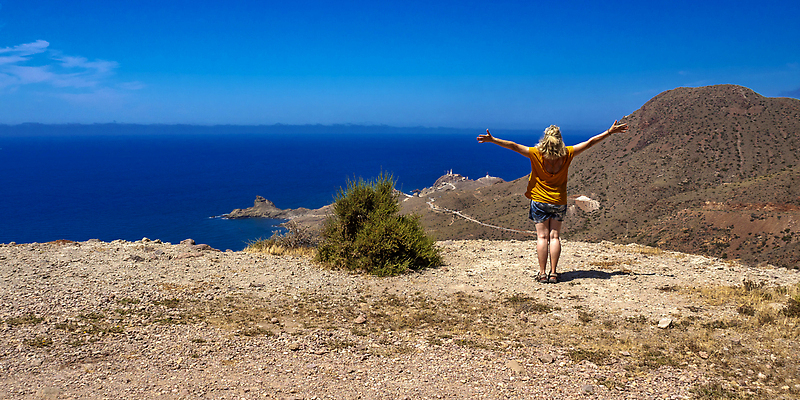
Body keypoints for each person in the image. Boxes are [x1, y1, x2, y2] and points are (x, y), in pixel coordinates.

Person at [476, 120, 628, 283]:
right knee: (554, 237)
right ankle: (554, 273)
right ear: (560, 140)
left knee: (542, 237)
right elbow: (590, 142)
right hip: (558, 201)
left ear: (545, 139)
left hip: (539, 201)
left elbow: (513, 146)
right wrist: (609, 132)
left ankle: (542, 274)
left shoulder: (535, 153)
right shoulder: (568, 153)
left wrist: (493, 140)